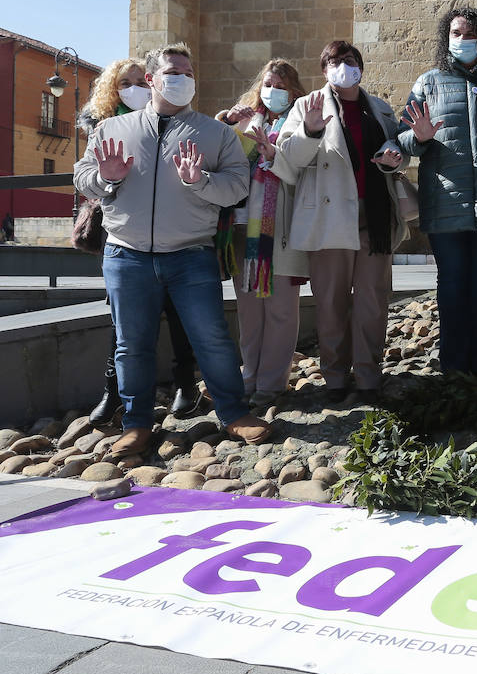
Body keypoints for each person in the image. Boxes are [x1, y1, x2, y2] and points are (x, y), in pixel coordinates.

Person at [73, 44, 271, 458]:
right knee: (131, 344)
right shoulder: (111, 130)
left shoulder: (216, 134)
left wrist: (200, 181)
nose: (182, 78)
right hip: (126, 255)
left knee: (212, 338)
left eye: (188, 71)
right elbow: (84, 177)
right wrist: (106, 180)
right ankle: (137, 424)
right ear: (152, 79)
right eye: (173, 71)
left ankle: (234, 413)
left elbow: (237, 185)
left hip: (190, 254)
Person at [396, 8, 477, 376]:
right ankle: (454, 369)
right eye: (456, 32)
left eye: (470, 34)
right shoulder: (428, 83)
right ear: (446, 37)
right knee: (452, 284)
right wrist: (419, 138)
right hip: (446, 202)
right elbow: (402, 138)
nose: (462, 40)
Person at [274, 41, 409, 403]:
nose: (343, 66)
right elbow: (286, 162)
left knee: (372, 301)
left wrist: (396, 158)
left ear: (361, 67)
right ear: (324, 69)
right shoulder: (305, 106)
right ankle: (335, 377)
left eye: (349, 60)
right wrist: (311, 131)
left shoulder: (379, 109)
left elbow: (399, 154)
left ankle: (368, 376)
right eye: (334, 61)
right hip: (327, 218)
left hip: (375, 218)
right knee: (331, 302)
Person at [78, 57, 203, 425]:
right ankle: (113, 392)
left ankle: (186, 384)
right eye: (125, 82)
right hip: (122, 235)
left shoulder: (178, 121)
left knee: (179, 310)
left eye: (140, 81)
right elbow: (85, 179)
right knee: (122, 319)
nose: (134, 88)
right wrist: (108, 178)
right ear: (112, 90)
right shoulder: (103, 128)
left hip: (174, 234)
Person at [215, 59, 311, 407]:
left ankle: (272, 382)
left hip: (281, 228)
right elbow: (223, 157)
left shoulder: (300, 121)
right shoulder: (246, 119)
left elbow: (303, 166)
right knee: (249, 311)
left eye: (281, 86)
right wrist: (232, 125)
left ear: (294, 91)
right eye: (269, 84)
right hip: (243, 229)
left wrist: (274, 152)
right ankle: (249, 376)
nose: (273, 91)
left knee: (282, 311)